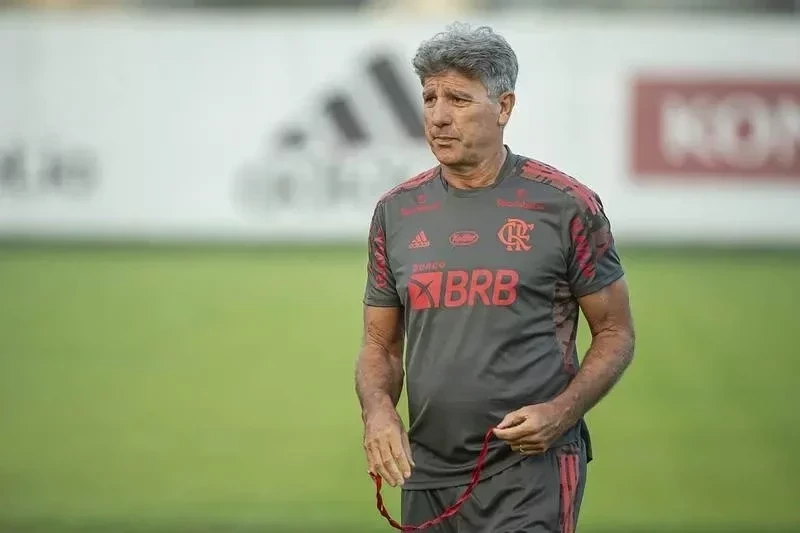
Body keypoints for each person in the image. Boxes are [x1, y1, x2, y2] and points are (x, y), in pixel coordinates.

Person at [354, 22, 635, 533]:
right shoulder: (396, 212)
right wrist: (378, 413)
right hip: (427, 472)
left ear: (504, 107)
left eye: (459, 99)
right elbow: (380, 344)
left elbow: (616, 333)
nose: (438, 116)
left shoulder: (566, 205)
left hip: (530, 471)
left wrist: (562, 412)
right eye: (430, 97)